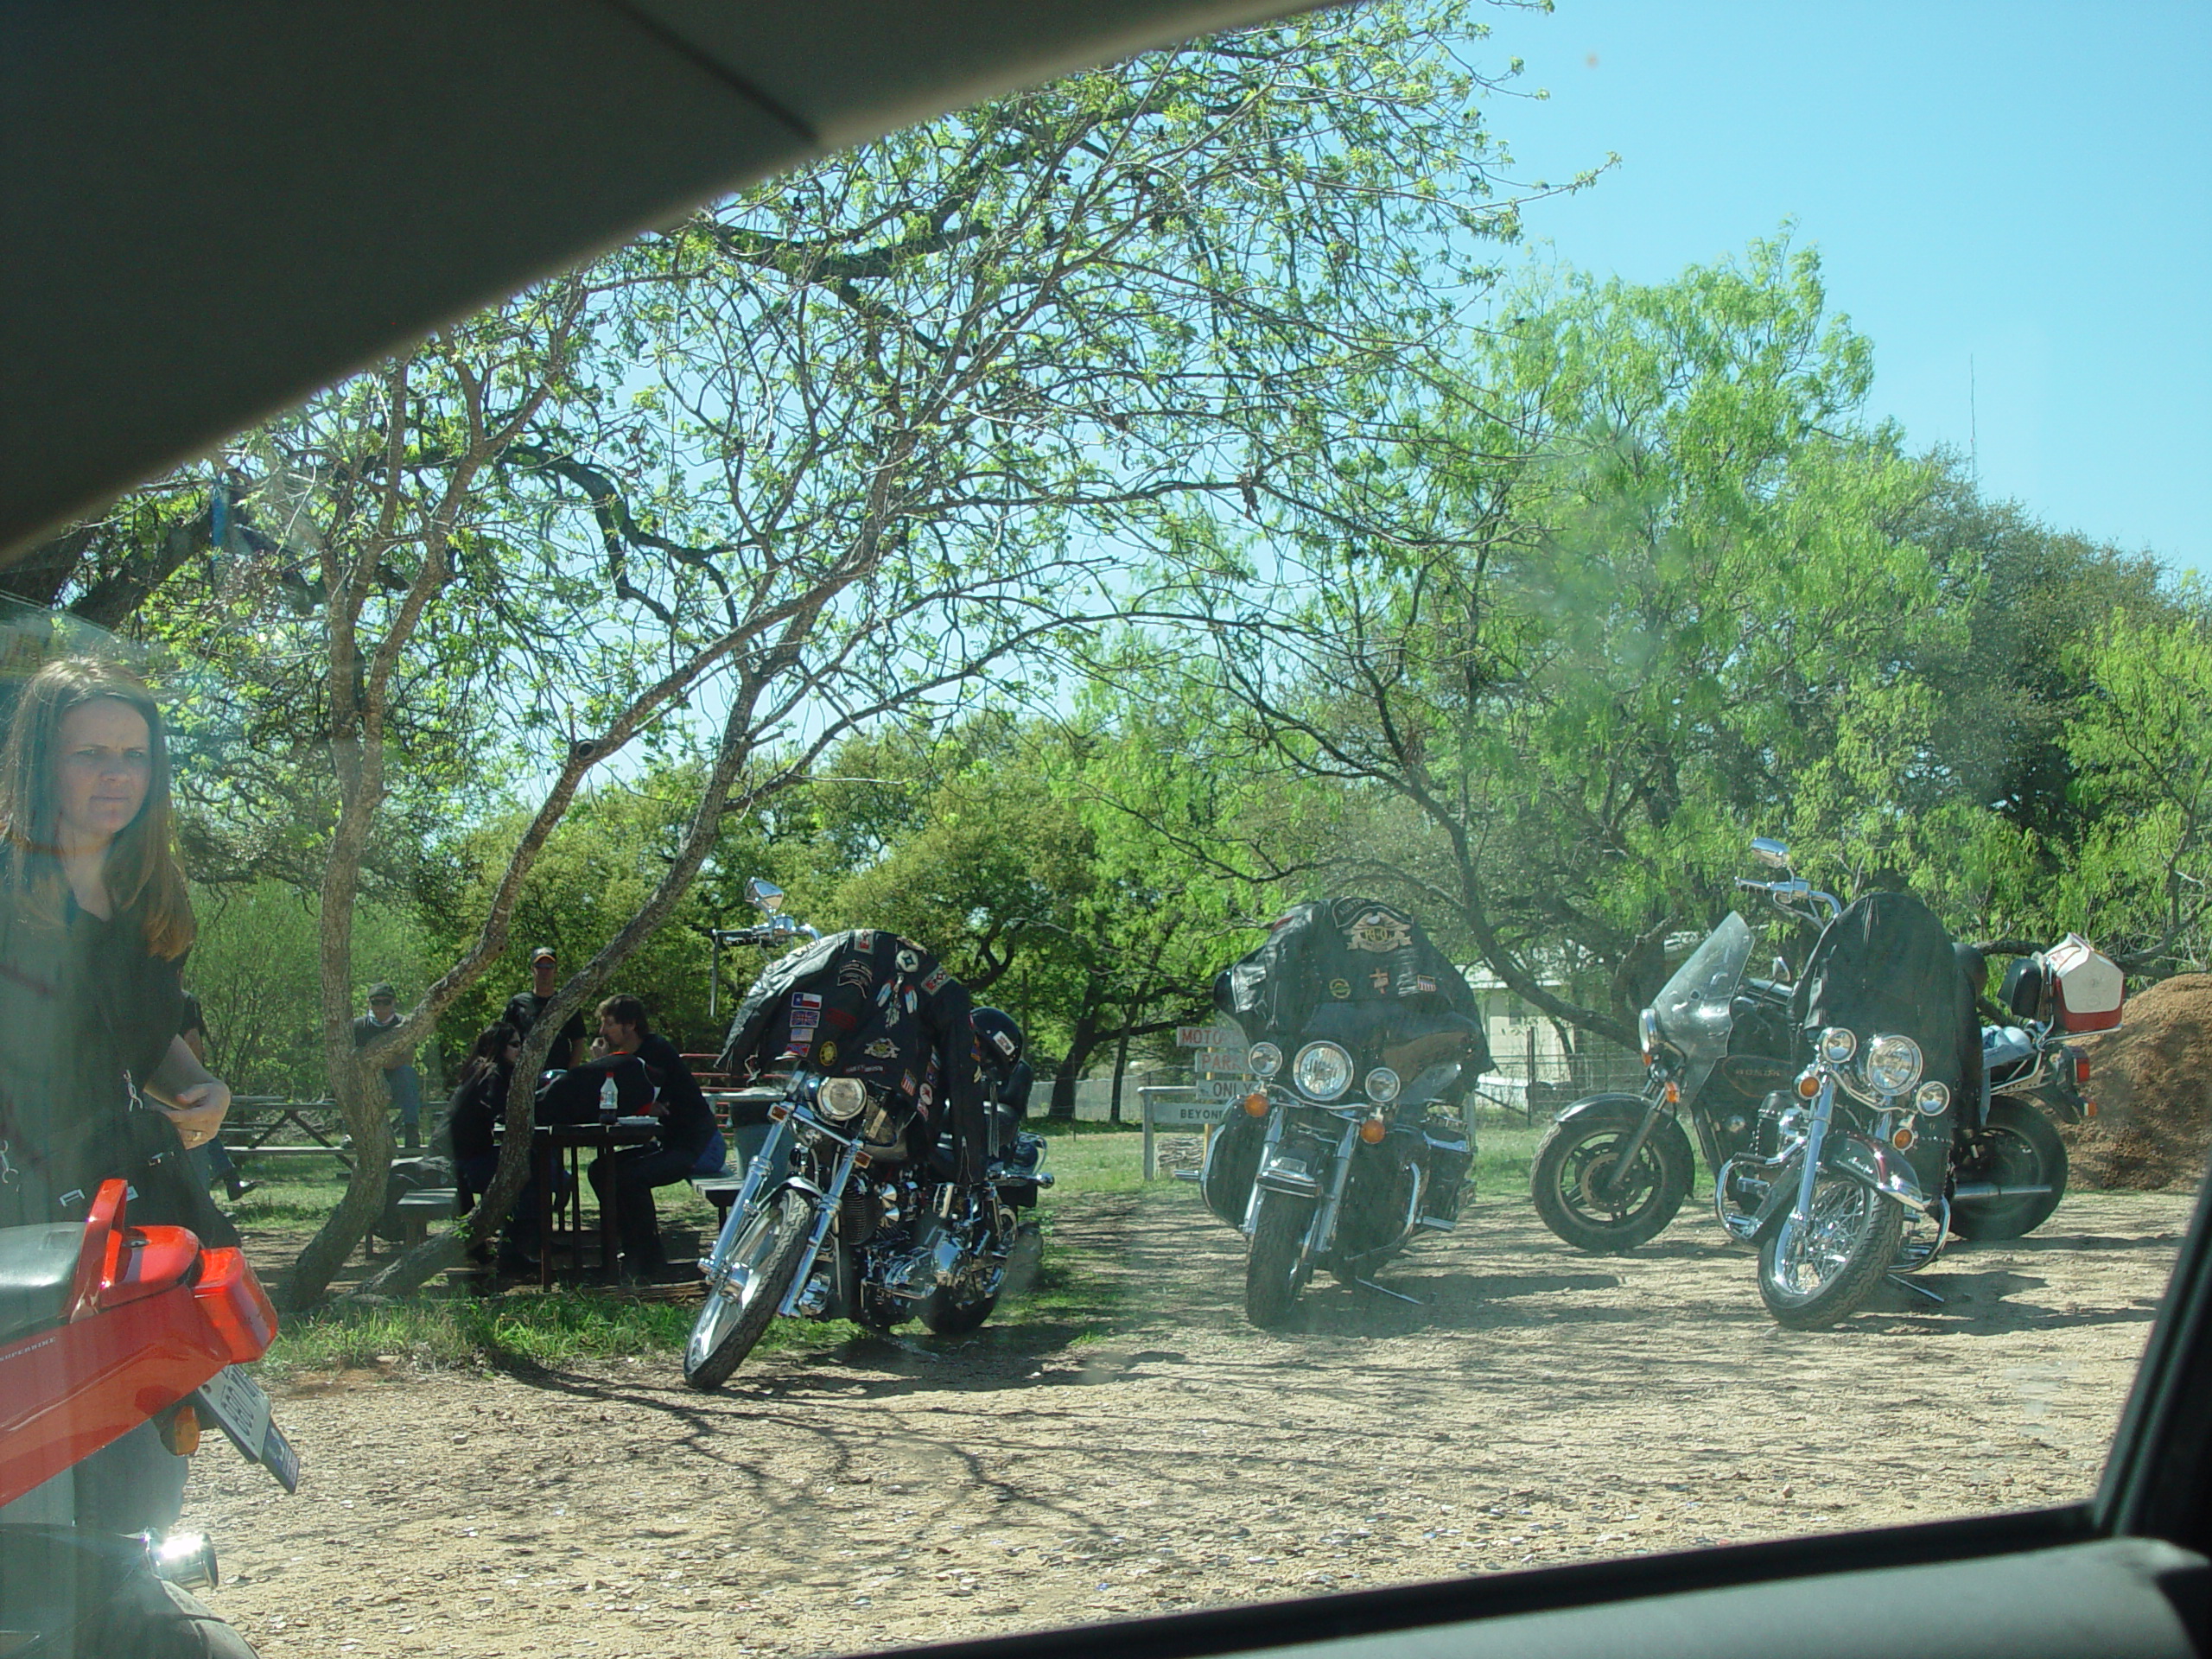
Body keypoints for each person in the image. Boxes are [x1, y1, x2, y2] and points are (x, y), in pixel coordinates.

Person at [0, 657, 236, 1536]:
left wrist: (199, 1084)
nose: (115, 775)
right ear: (37, 764)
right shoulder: (2, 888)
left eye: (134, 755)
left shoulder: (150, 895)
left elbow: (144, 1037)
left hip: (136, 1210)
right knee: (37, 1486)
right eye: (89, 753)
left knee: (140, 1471)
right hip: (21, 1222)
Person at [715, 928, 988, 1185]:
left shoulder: (838, 948)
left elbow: (773, 980)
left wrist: (738, 1054)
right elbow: (965, 1071)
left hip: (891, 1106)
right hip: (842, 1087)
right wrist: (970, 1163)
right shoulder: (939, 984)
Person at [586, 995, 714, 1282]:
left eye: (608, 1024)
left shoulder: (656, 1051)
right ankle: (629, 1250)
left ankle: (648, 1260)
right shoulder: (628, 1059)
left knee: (630, 1176)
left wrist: (638, 1101)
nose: (602, 1032)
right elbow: (628, 1101)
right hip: (666, 1142)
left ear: (630, 1025)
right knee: (600, 1169)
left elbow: (642, 1097)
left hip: (695, 1146)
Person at [442, 1020, 558, 1274]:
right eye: (515, 1045)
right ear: (499, 1047)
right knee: (535, 1173)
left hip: (461, 1156)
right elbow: (500, 1115)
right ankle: (516, 1250)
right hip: (463, 1162)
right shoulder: (493, 1072)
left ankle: (526, 1243)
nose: (521, 1050)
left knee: (542, 1168)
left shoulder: (478, 1069)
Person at [181, 988, 255, 1201]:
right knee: (201, 1134)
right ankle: (223, 1186)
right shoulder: (185, 1000)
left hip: (146, 1081)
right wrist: (197, 1077)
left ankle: (230, 1179)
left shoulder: (138, 994)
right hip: (184, 1081)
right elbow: (192, 1039)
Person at [353, 981, 423, 1148]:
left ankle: (411, 1129)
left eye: (386, 1002)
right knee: (352, 1078)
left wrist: (378, 1062)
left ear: (394, 1002)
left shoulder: (404, 1024)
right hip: (366, 1079)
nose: (381, 1006)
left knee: (407, 1073)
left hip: (395, 1079)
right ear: (369, 1003)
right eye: (376, 1002)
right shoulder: (358, 1026)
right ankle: (351, 1132)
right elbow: (352, 1059)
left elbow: (407, 1057)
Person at [504, 944, 587, 1070]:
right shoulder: (517, 1003)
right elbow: (504, 1039)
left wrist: (571, 1071)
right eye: (539, 967)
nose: (544, 972)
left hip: (558, 1074)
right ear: (532, 969)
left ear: (555, 970)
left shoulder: (566, 1003)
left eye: (549, 967)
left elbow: (578, 1041)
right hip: (524, 1073)